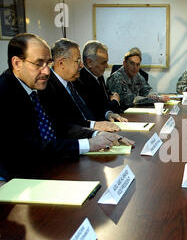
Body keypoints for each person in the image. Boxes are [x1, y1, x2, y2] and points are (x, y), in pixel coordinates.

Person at [0, 33, 134, 180]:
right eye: (39, 63)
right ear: (17, 63)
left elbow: (60, 125)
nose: (46, 71)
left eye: (48, 63)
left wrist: (97, 134)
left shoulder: (34, 85)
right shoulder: (5, 92)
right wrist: (88, 144)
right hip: (16, 180)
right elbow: (31, 149)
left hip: (49, 167)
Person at [41, 38, 122, 133]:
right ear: (61, 63)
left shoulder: (73, 82)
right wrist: (95, 130)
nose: (81, 65)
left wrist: (107, 115)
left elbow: (90, 110)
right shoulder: (47, 88)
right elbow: (65, 126)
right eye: (77, 61)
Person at [74, 40, 126, 117]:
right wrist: (115, 101)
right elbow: (99, 111)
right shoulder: (79, 80)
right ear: (89, 62)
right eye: (103, 63)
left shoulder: (99, 75)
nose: (107, 66)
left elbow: (105, 99)